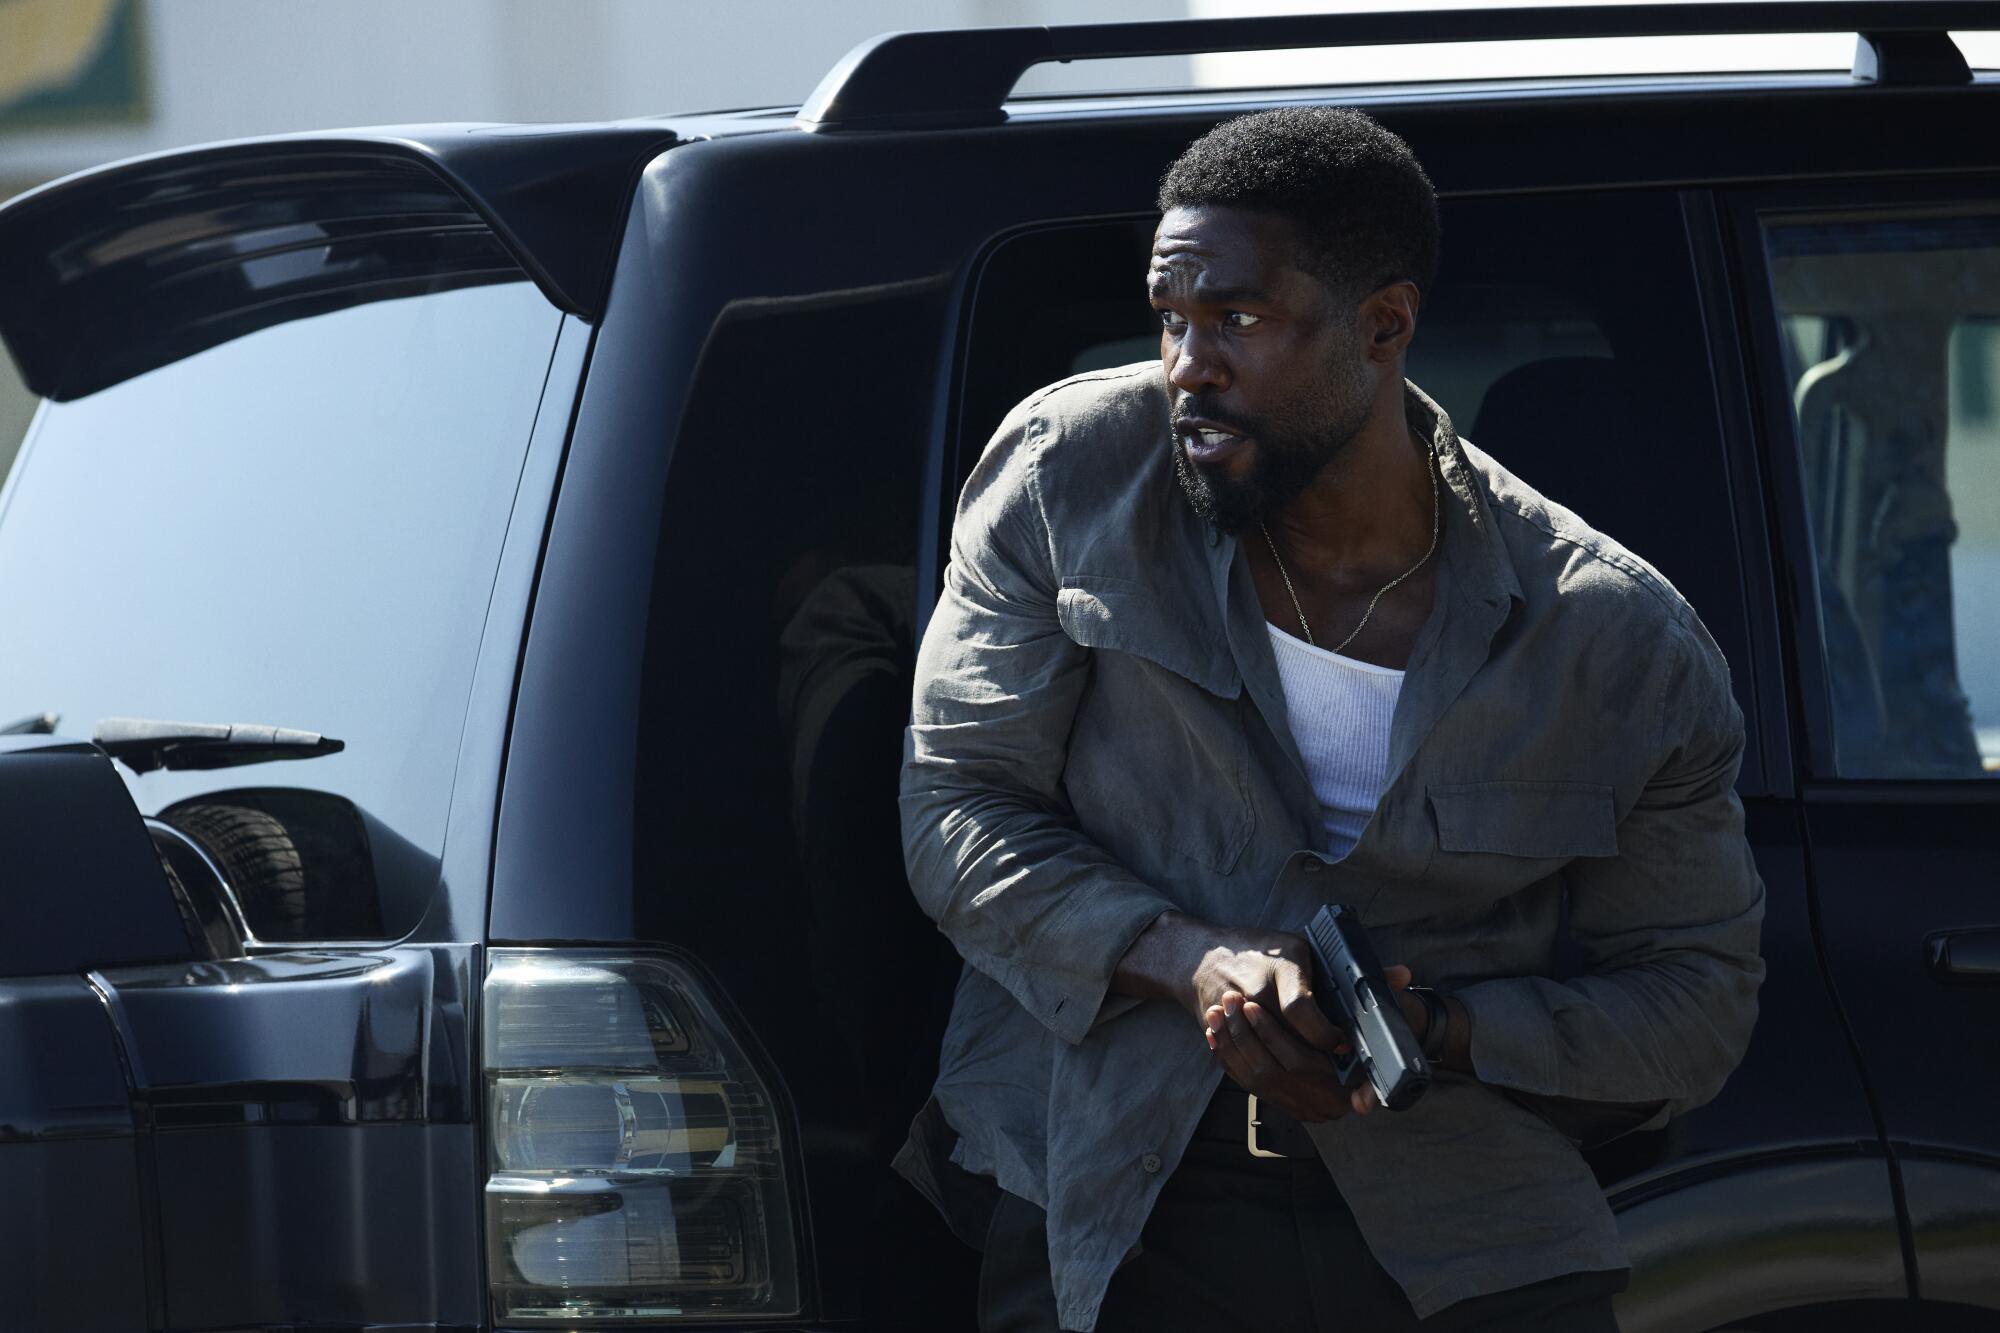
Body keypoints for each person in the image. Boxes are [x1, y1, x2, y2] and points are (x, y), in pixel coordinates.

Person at [893, 107, 1765, 1333]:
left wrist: (1440, 1028)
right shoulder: (1068, 479)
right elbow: (955, 806)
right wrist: (1188, 957)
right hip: (1110, 1191)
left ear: (1382, 325)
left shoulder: (1614, 642)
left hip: (1461, 1227)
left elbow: (1692, 1005)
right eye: (1171, 317)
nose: (1188, 362)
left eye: (1238, 319)